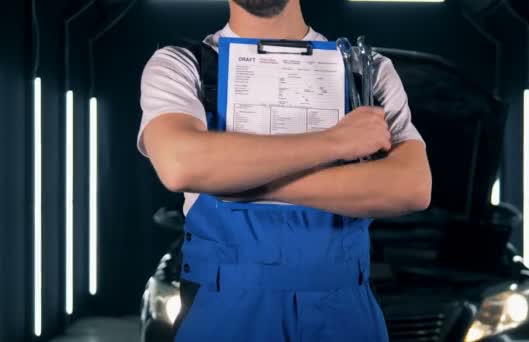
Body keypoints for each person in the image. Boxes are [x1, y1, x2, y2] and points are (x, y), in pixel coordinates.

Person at [137, 0, 432, 341]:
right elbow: (180, 164)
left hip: (345, 317)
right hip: (224, 316)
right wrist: (336, 142)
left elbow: (412, 186)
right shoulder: (181, 65)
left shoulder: (368, 71)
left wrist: (232, 182)